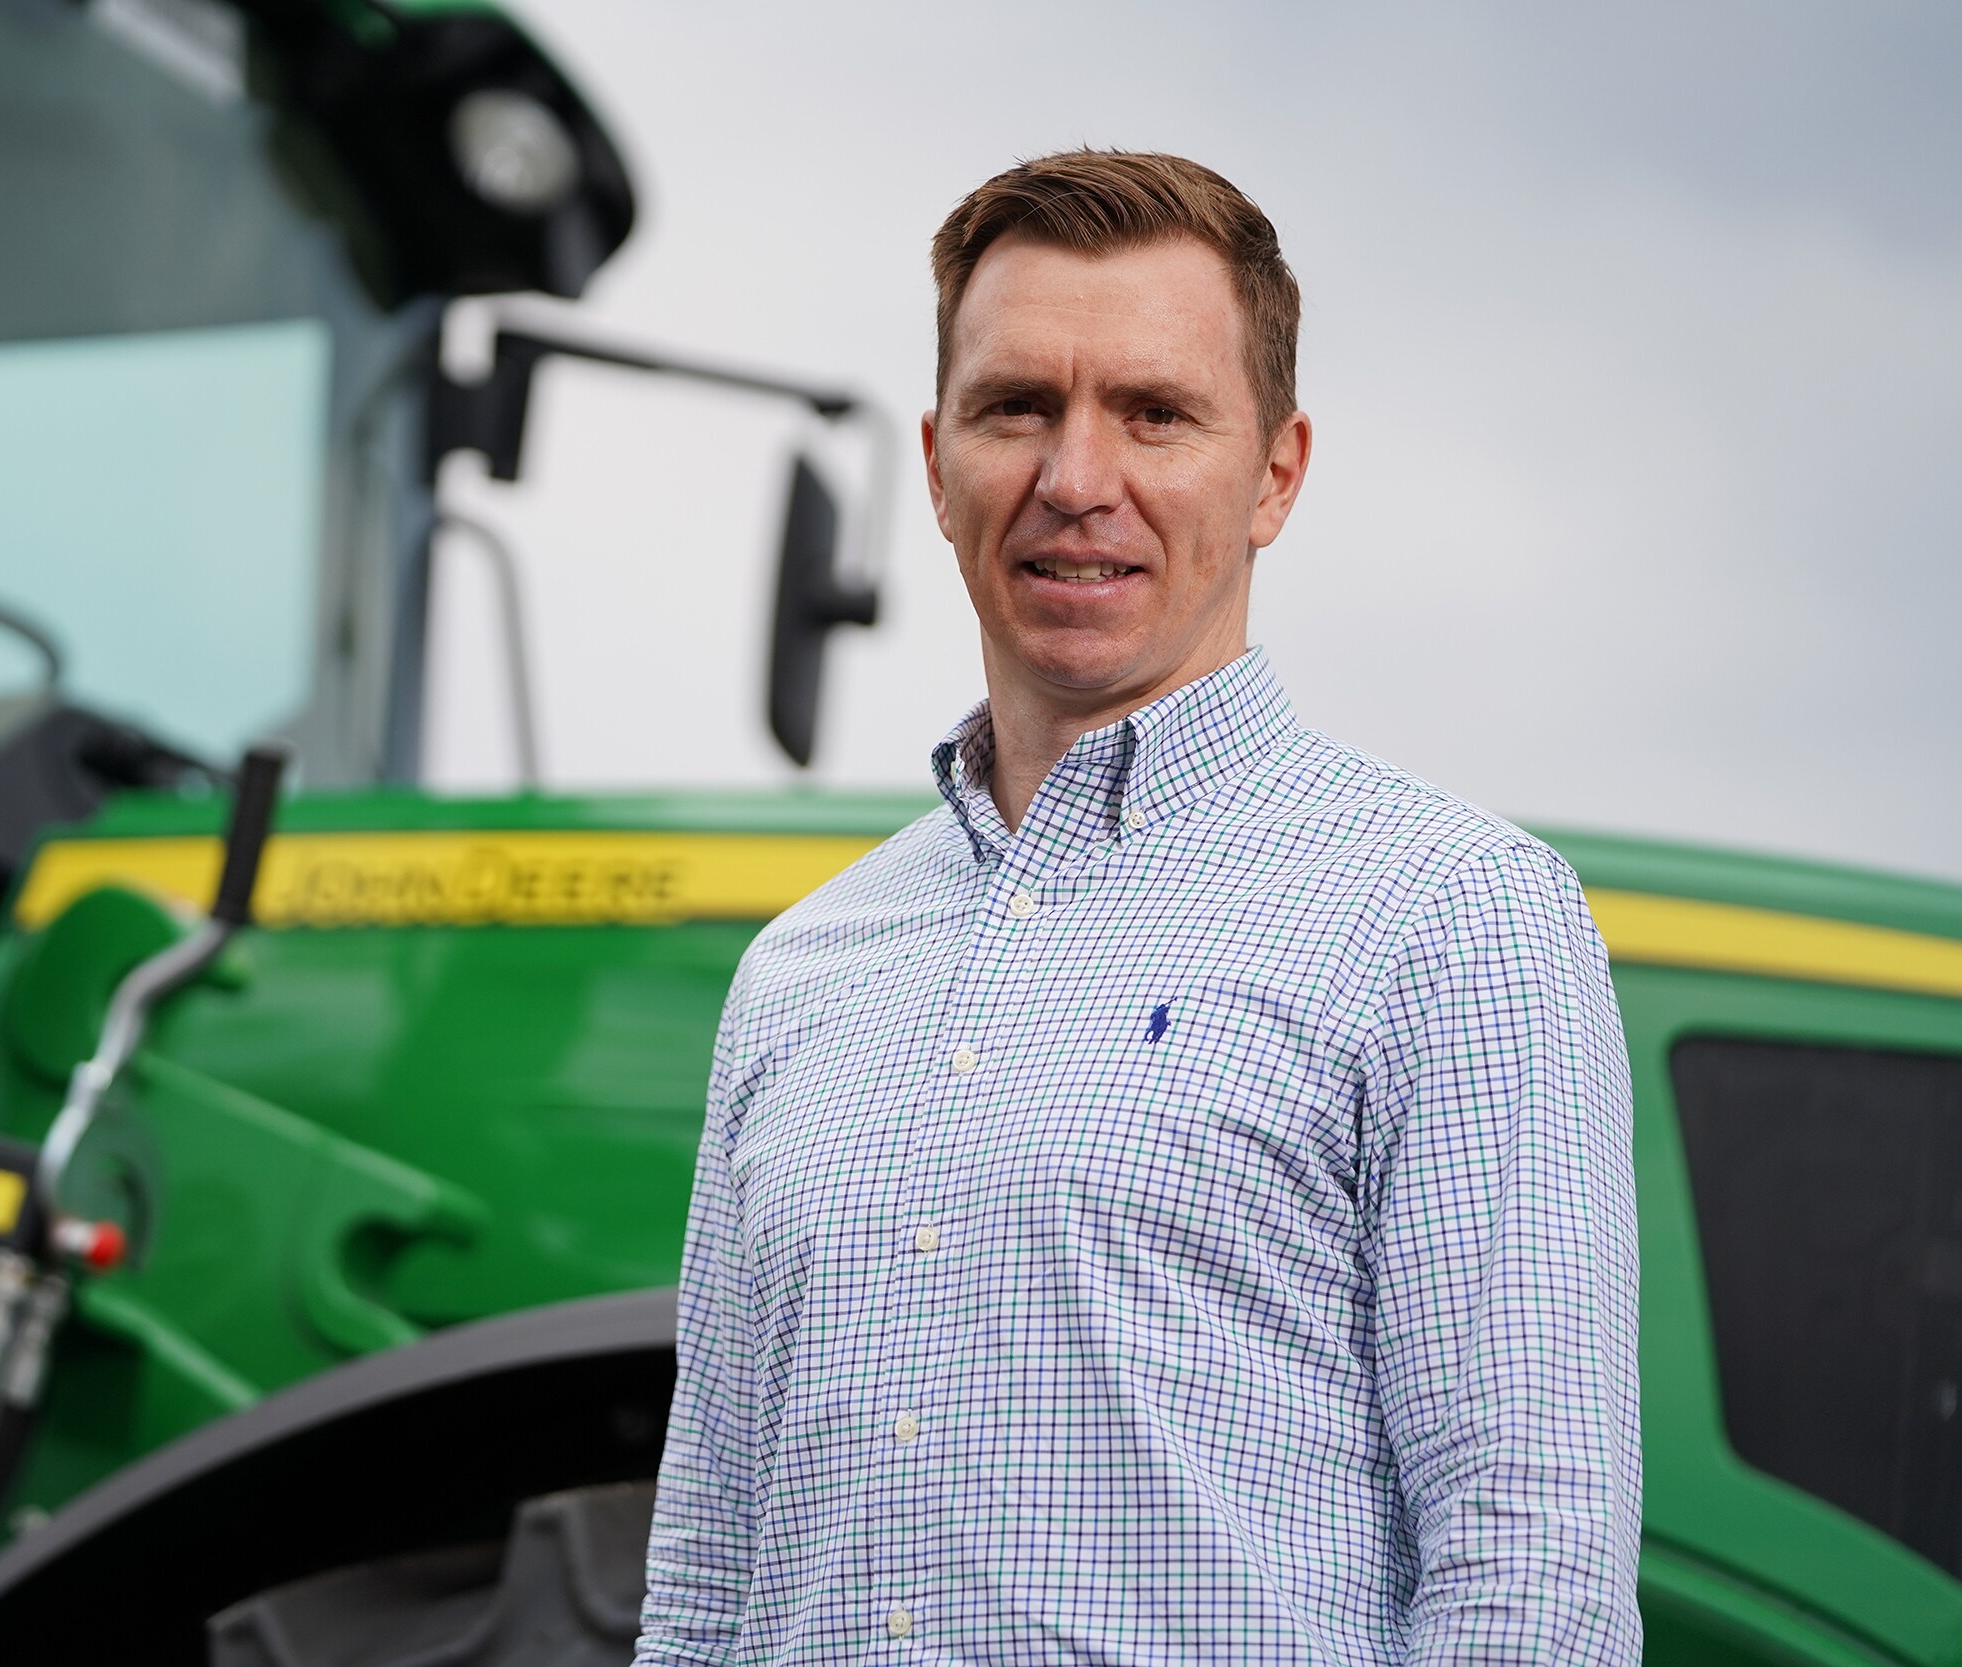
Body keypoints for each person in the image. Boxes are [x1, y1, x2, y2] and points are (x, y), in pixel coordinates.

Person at [635, 150, 1640, 1665]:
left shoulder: (1452, 921)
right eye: (1017, 409)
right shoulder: (800, 975)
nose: (1076, 480)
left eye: (1155, 414)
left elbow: (1530, 1576)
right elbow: (706, 1585)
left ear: (1277, 474)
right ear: (936, 461)